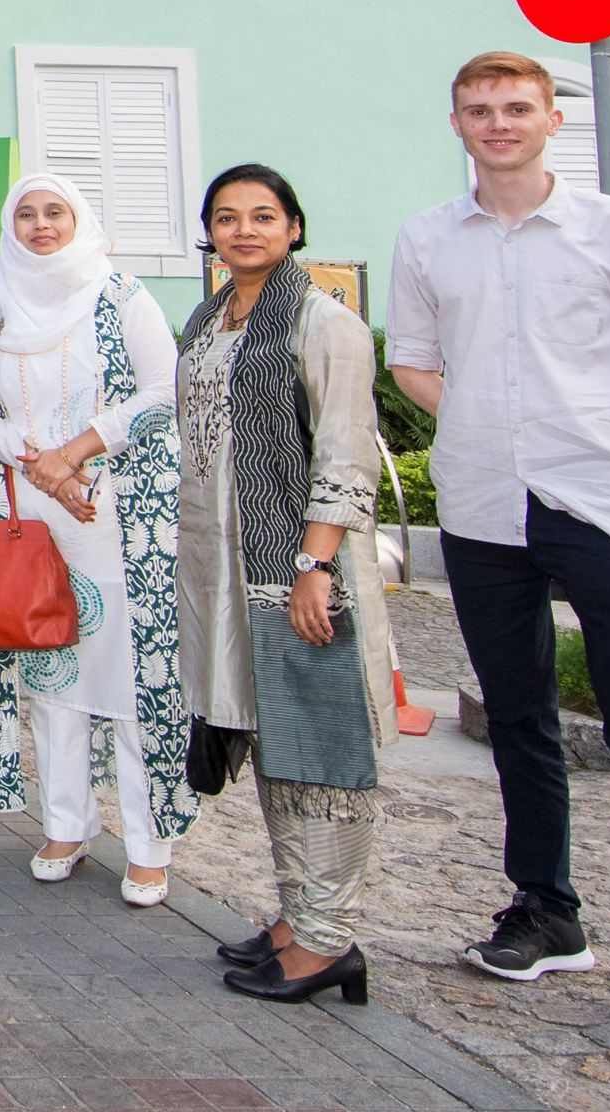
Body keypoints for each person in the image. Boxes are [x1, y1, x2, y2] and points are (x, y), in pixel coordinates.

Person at [389, 52, 610, 1054]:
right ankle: (547, 913)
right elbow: (411, 361)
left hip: (608, 510)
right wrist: (485, 430)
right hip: (487, 508)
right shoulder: (427, 238)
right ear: (456, 124)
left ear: (552, 120)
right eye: (479, 110)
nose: (497, 123)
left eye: (516, 108)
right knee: (518, 724)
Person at [180, 164, 390, 1008]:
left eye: (263, 216)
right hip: (226, 575)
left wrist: (314, 566)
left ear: (294, 227)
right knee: (272, 746)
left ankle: (328, 938)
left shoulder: (324, 323)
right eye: (227, 218)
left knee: (321, 749)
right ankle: (298, 915)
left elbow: (346, 453)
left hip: (297, 572)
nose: (245, 231)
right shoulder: (209, 319)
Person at [0, 174, 192, 901]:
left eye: (54, 212)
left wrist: (76, 452)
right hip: (31, 516)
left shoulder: (119, 294)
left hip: (119, 516)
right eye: (26, 214)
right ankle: (66, 824)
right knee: (52, 676)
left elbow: (165, 390)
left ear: (78, 219)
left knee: (128, 676)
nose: (40, 225)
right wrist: (40, 464)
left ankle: (148, 844)